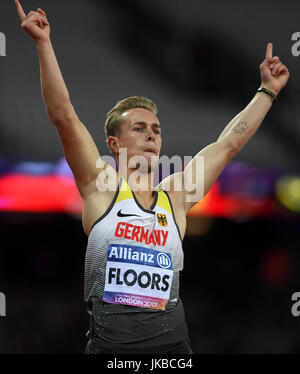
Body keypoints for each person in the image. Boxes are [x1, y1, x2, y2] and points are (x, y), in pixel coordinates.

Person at [15, 0, 289, 354]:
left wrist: (267, 91)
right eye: (140, 128)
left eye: (156, 130)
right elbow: (64, 116)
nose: (152, 136)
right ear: (114, 143)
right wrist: (43, 44)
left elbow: (228, 145)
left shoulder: (175, 196)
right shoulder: (102, 189)